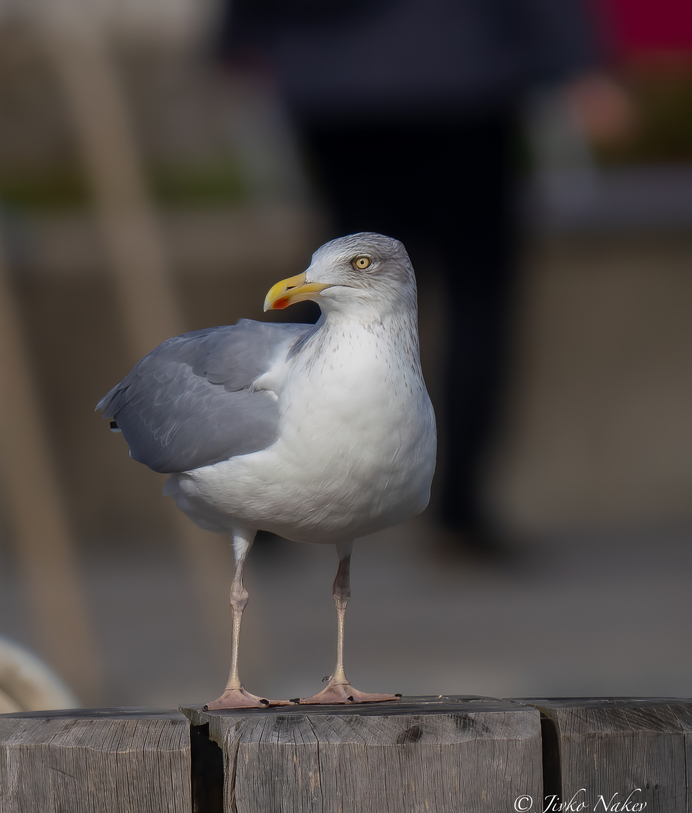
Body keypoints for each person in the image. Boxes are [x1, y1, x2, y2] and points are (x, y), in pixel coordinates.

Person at [217, 0, 608, 553]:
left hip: (337, 80)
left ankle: (265, 494)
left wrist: (239, 38)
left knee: (336, 279)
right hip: (463, 72)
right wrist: (577, 60)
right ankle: (460, 512)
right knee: (476, 292)